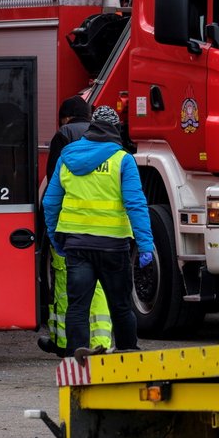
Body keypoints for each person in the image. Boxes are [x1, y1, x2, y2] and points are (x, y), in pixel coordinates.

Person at [43, 105, 154, 357]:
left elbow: (50, 202)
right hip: (113, 247)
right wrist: (146, 245)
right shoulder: (122, 159)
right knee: (121, 306)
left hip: (76, 246)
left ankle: (76, 356)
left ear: (92, 127)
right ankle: (128, 353)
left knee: (78, 306)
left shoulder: (67, 157)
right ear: (115, 129)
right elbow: (135, 204)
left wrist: (56, 237)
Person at [37, 97, 112, 357]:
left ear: (66, 118)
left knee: (65, 282)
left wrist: (48, 223)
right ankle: (102, 339)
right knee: (100, 284)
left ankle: (65, 341)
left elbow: (53, 183)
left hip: (70, 225)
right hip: (106, 228)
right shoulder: (107, 137)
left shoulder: (64, 135)